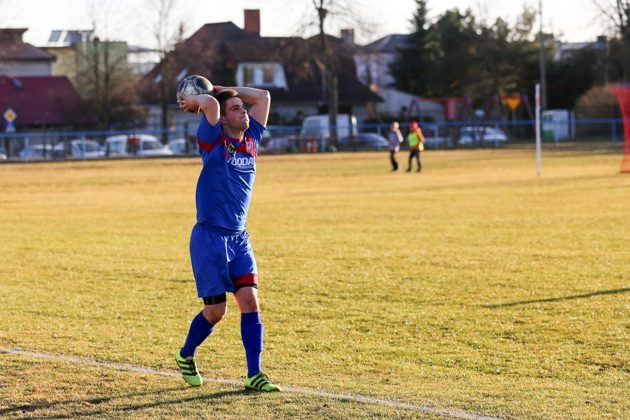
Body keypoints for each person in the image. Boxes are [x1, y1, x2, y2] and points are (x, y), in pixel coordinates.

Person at [174, 83, 280, 392]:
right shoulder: (213, 141)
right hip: (209, 238)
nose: (244, 110)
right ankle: (186, 354)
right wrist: (196, 99)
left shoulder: (252, 139)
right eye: (235, 108)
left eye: (242, 107)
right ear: (221, 118)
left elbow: (263, 97)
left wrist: (228, 89)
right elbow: (208, 103)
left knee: (249, 301)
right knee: (216, 312)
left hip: (239, 238)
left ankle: (254, 373)